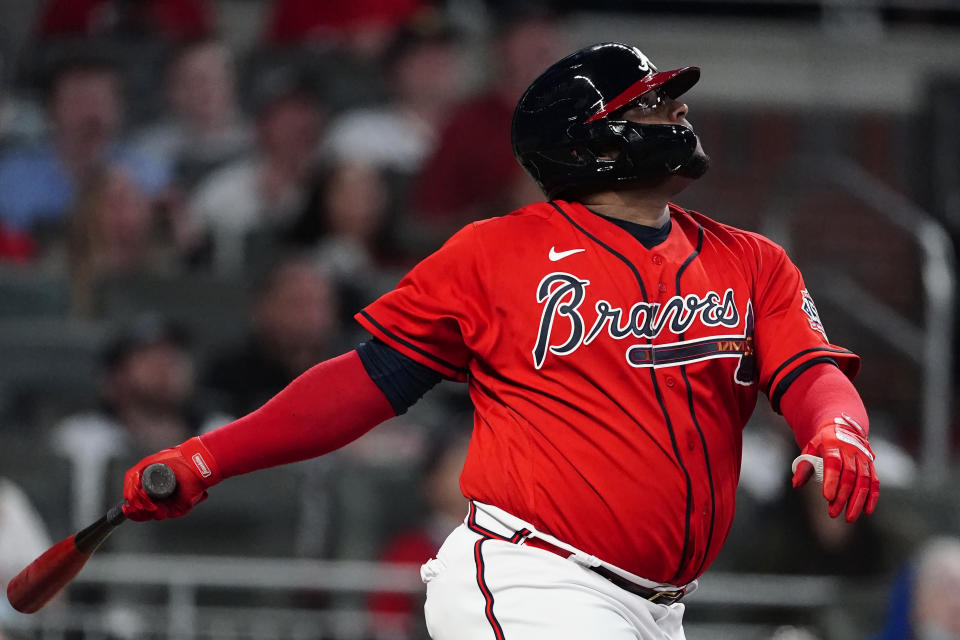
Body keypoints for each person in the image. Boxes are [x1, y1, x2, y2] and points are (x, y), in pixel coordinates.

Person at [119, 43, 880, 639]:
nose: (675, 114)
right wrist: (209, 455)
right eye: (648, 104)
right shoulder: (496, 253)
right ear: (589, 140)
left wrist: (838, 428)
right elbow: (364, 383)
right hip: (536, 581)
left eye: (671, 101)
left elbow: (810, 373)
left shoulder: (751, 260)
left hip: (658, 609)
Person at [0, 56, 170, 238]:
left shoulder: (149, 176)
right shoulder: (11, 179)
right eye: (80, 102)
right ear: (51, 109)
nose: (93, 114)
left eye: (103, 101)